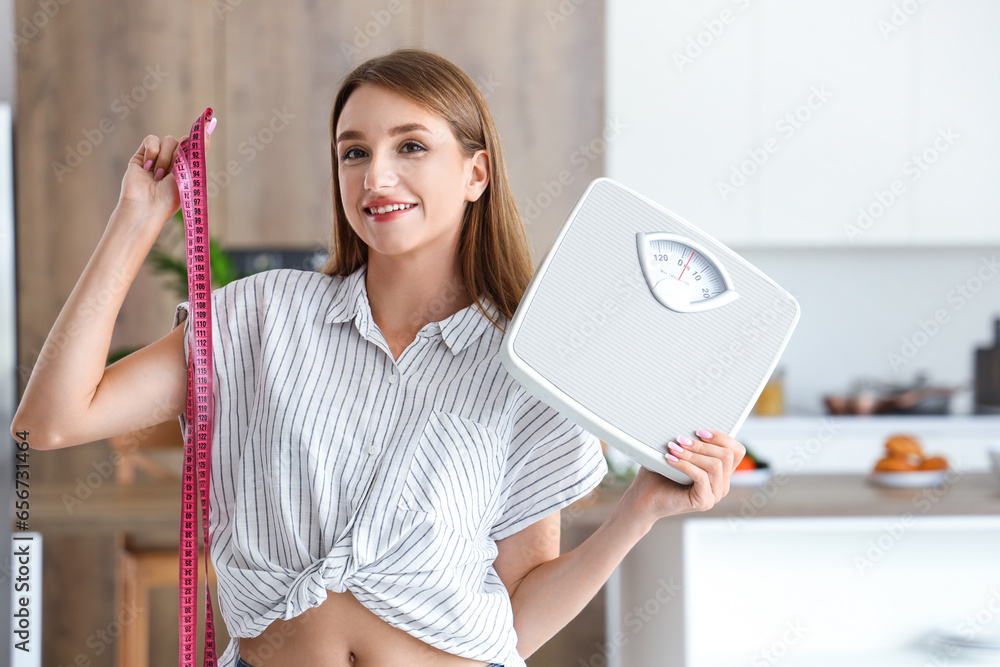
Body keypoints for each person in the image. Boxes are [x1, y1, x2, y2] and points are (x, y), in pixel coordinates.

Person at [11, 48, 746, 667]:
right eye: (354, 151)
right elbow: (49, 421)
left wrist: (641, 509)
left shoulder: (528, 368)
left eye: (412, 146)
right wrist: (135, 219)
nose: (377, 177)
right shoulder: (261, 317)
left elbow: (516, 619)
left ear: (476, 174)